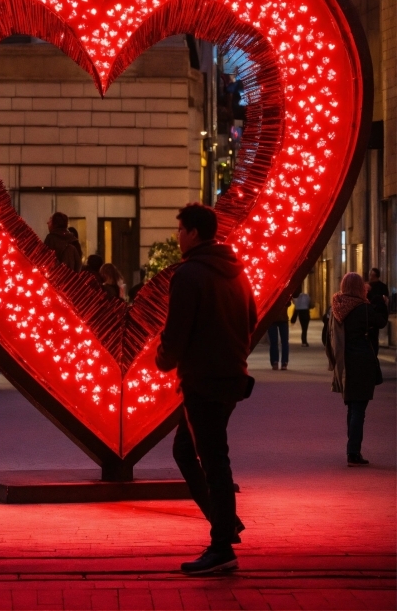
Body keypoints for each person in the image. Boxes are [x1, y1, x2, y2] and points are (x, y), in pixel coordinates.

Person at [156, 203, 257, 575]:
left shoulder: (189, 275)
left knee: (214, 459)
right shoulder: (236, 272)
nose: (177, 236)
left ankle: (221, 547)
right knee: (187, 450)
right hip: (230, 376)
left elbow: (176, 333)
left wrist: (163, 358)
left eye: (179, 229)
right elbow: (251, 318)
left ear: (194, 233)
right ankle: (224, 522)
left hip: (203, 380)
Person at [326, 272, 388, 467]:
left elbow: (326, 336)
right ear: (360, 287)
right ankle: (353, 452)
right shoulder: (363, 309)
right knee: (359, 409)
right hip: (362, 362)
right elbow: (381, 322)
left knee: (352, 408)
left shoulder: (335, 308)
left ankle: (352, 449)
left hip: (344, 363)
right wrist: (382, 304)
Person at [366, 268, 389, 355]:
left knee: (373, 335)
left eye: (371, 275)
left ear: (374, 276)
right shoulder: (369, 286)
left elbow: (384, 299)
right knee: (373, 336)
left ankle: (373, 353)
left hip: (375, 313)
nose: (370, 277)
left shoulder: (380, 286)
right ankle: (372, 353)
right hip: (373, 313)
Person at [267, 296, 291, 370]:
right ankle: (284, 363)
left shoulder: (270, 295)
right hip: (281, 319)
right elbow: (288, 303)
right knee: (284, 342)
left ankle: (275, 362)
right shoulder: (284, 294)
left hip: (272, 319)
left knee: (274, 342)